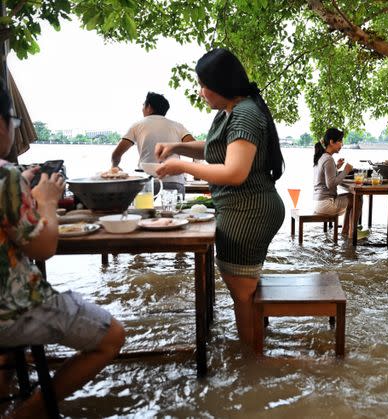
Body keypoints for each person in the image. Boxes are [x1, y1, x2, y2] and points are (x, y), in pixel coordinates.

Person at [0, 81, 125, 416]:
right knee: (112, 336)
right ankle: (25, 415)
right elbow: (43, 248)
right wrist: (46, 202)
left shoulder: (10, 180)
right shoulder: (5, 178)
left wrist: (23, 187)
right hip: (11, 311)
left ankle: (9, 380)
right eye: (13, 122)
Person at [154, 48, 285, 350]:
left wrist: (180, 166)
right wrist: (176, 148)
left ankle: (253, 364)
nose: (201, 92)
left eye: (203, 84)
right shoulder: (231, 111)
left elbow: (235, 172)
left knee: (242, 296)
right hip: (243, 207)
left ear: (221, 84)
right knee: (245, 292)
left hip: (248, 211)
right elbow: (215, 149)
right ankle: (254, 363)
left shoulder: (245, 114)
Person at [111, 92, 195, 195]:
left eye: (143, 105)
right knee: (175, 210)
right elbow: (194, 147)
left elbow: (116, 154)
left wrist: (115, 166)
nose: (142, 108)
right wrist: (196, 172)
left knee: (145, 210)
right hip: (174, 181)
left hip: (147, 183)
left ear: (149, 107)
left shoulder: (137, 126)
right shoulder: (178, 126)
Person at [313, 128, 356, 235]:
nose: (342, 144)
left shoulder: (323, 157)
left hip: (319, 202)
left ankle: (346, 231)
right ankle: (352, 233)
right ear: (332, 142)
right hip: (326, 204)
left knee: (352, 197)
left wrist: (336, 167)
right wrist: (346, 170)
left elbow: (326, 177)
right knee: (357, 199)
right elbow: (331, 184)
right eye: (340, 141)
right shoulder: (328, 159)